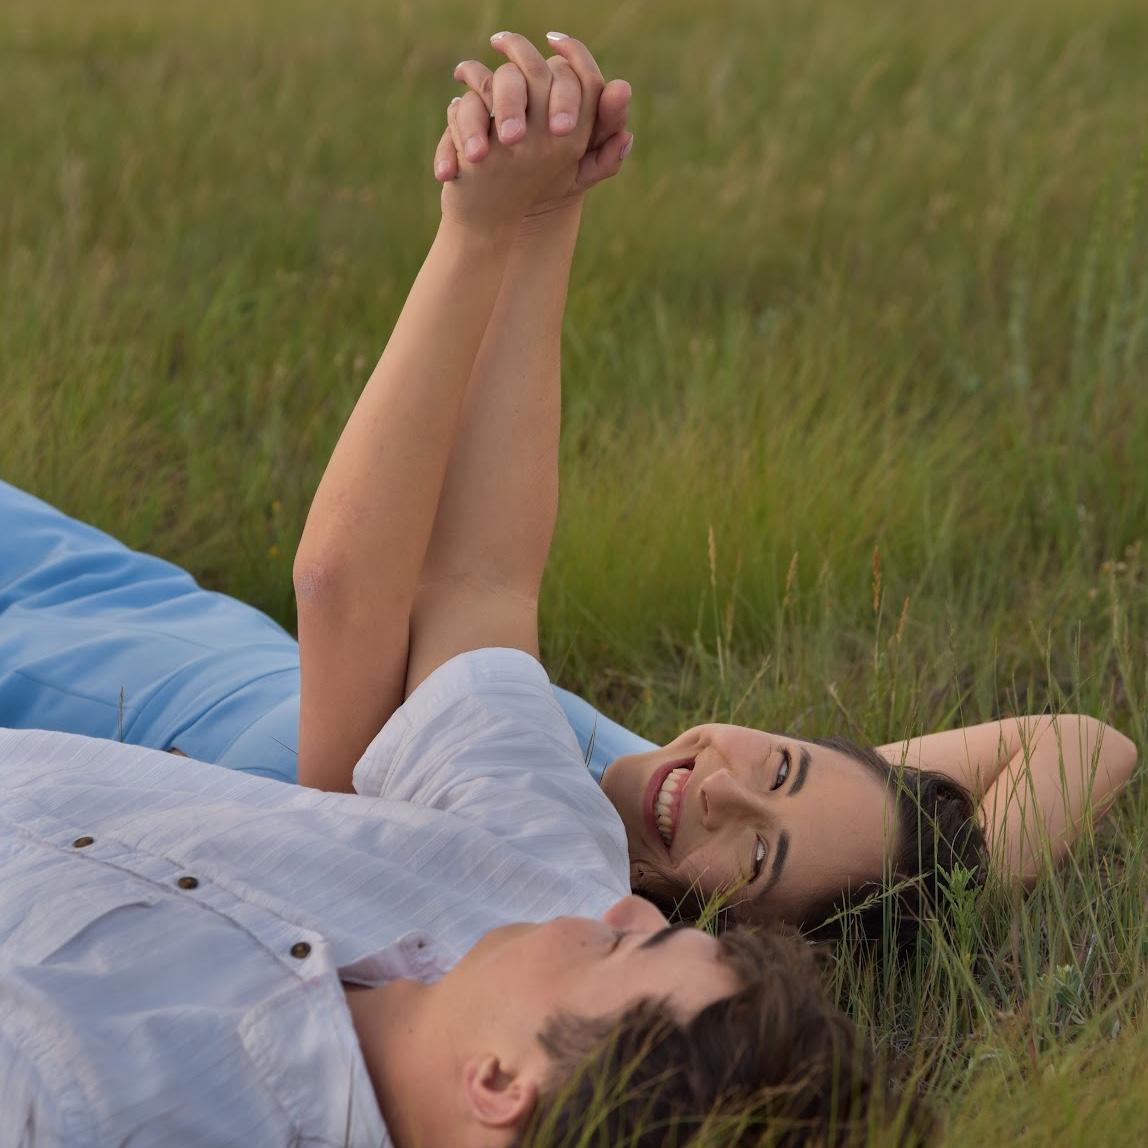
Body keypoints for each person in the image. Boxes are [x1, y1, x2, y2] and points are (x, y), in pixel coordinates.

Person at [1, 31, 1136, 946]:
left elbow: (344, 585)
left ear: (726, 934)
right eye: (784, 762)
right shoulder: (648, 781)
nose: (726, 788)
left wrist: (477, 232)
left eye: (755, 855)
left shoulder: (466, 842)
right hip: (82, 570)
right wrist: (931, 909)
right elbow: (1085, 741)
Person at [0, 32, 904, 1147]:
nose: (627, 904)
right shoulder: (532, 886)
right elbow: (477, 584)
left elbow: (360, 594)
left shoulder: (102, 1106)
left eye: (621, 945)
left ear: (500, 1082)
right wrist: (528, 220)